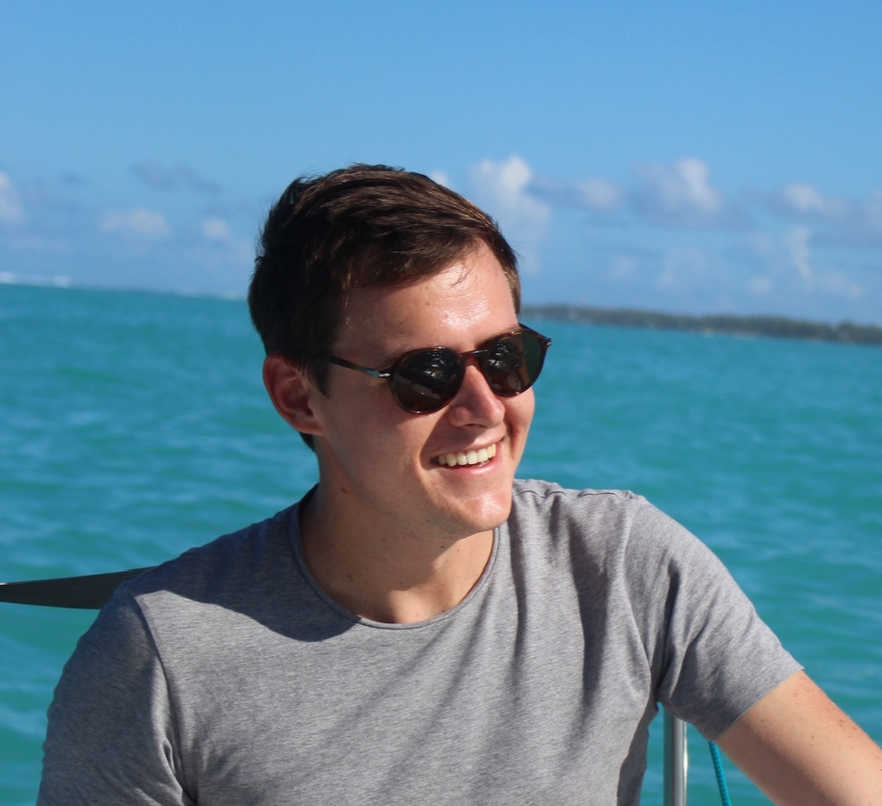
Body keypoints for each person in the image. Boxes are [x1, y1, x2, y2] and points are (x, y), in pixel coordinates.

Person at [39, 164, 882, 805]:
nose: (486, 409)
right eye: (426, 375)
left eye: (506, 358)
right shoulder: (161, 658)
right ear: (299, 397)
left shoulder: (624, 567)